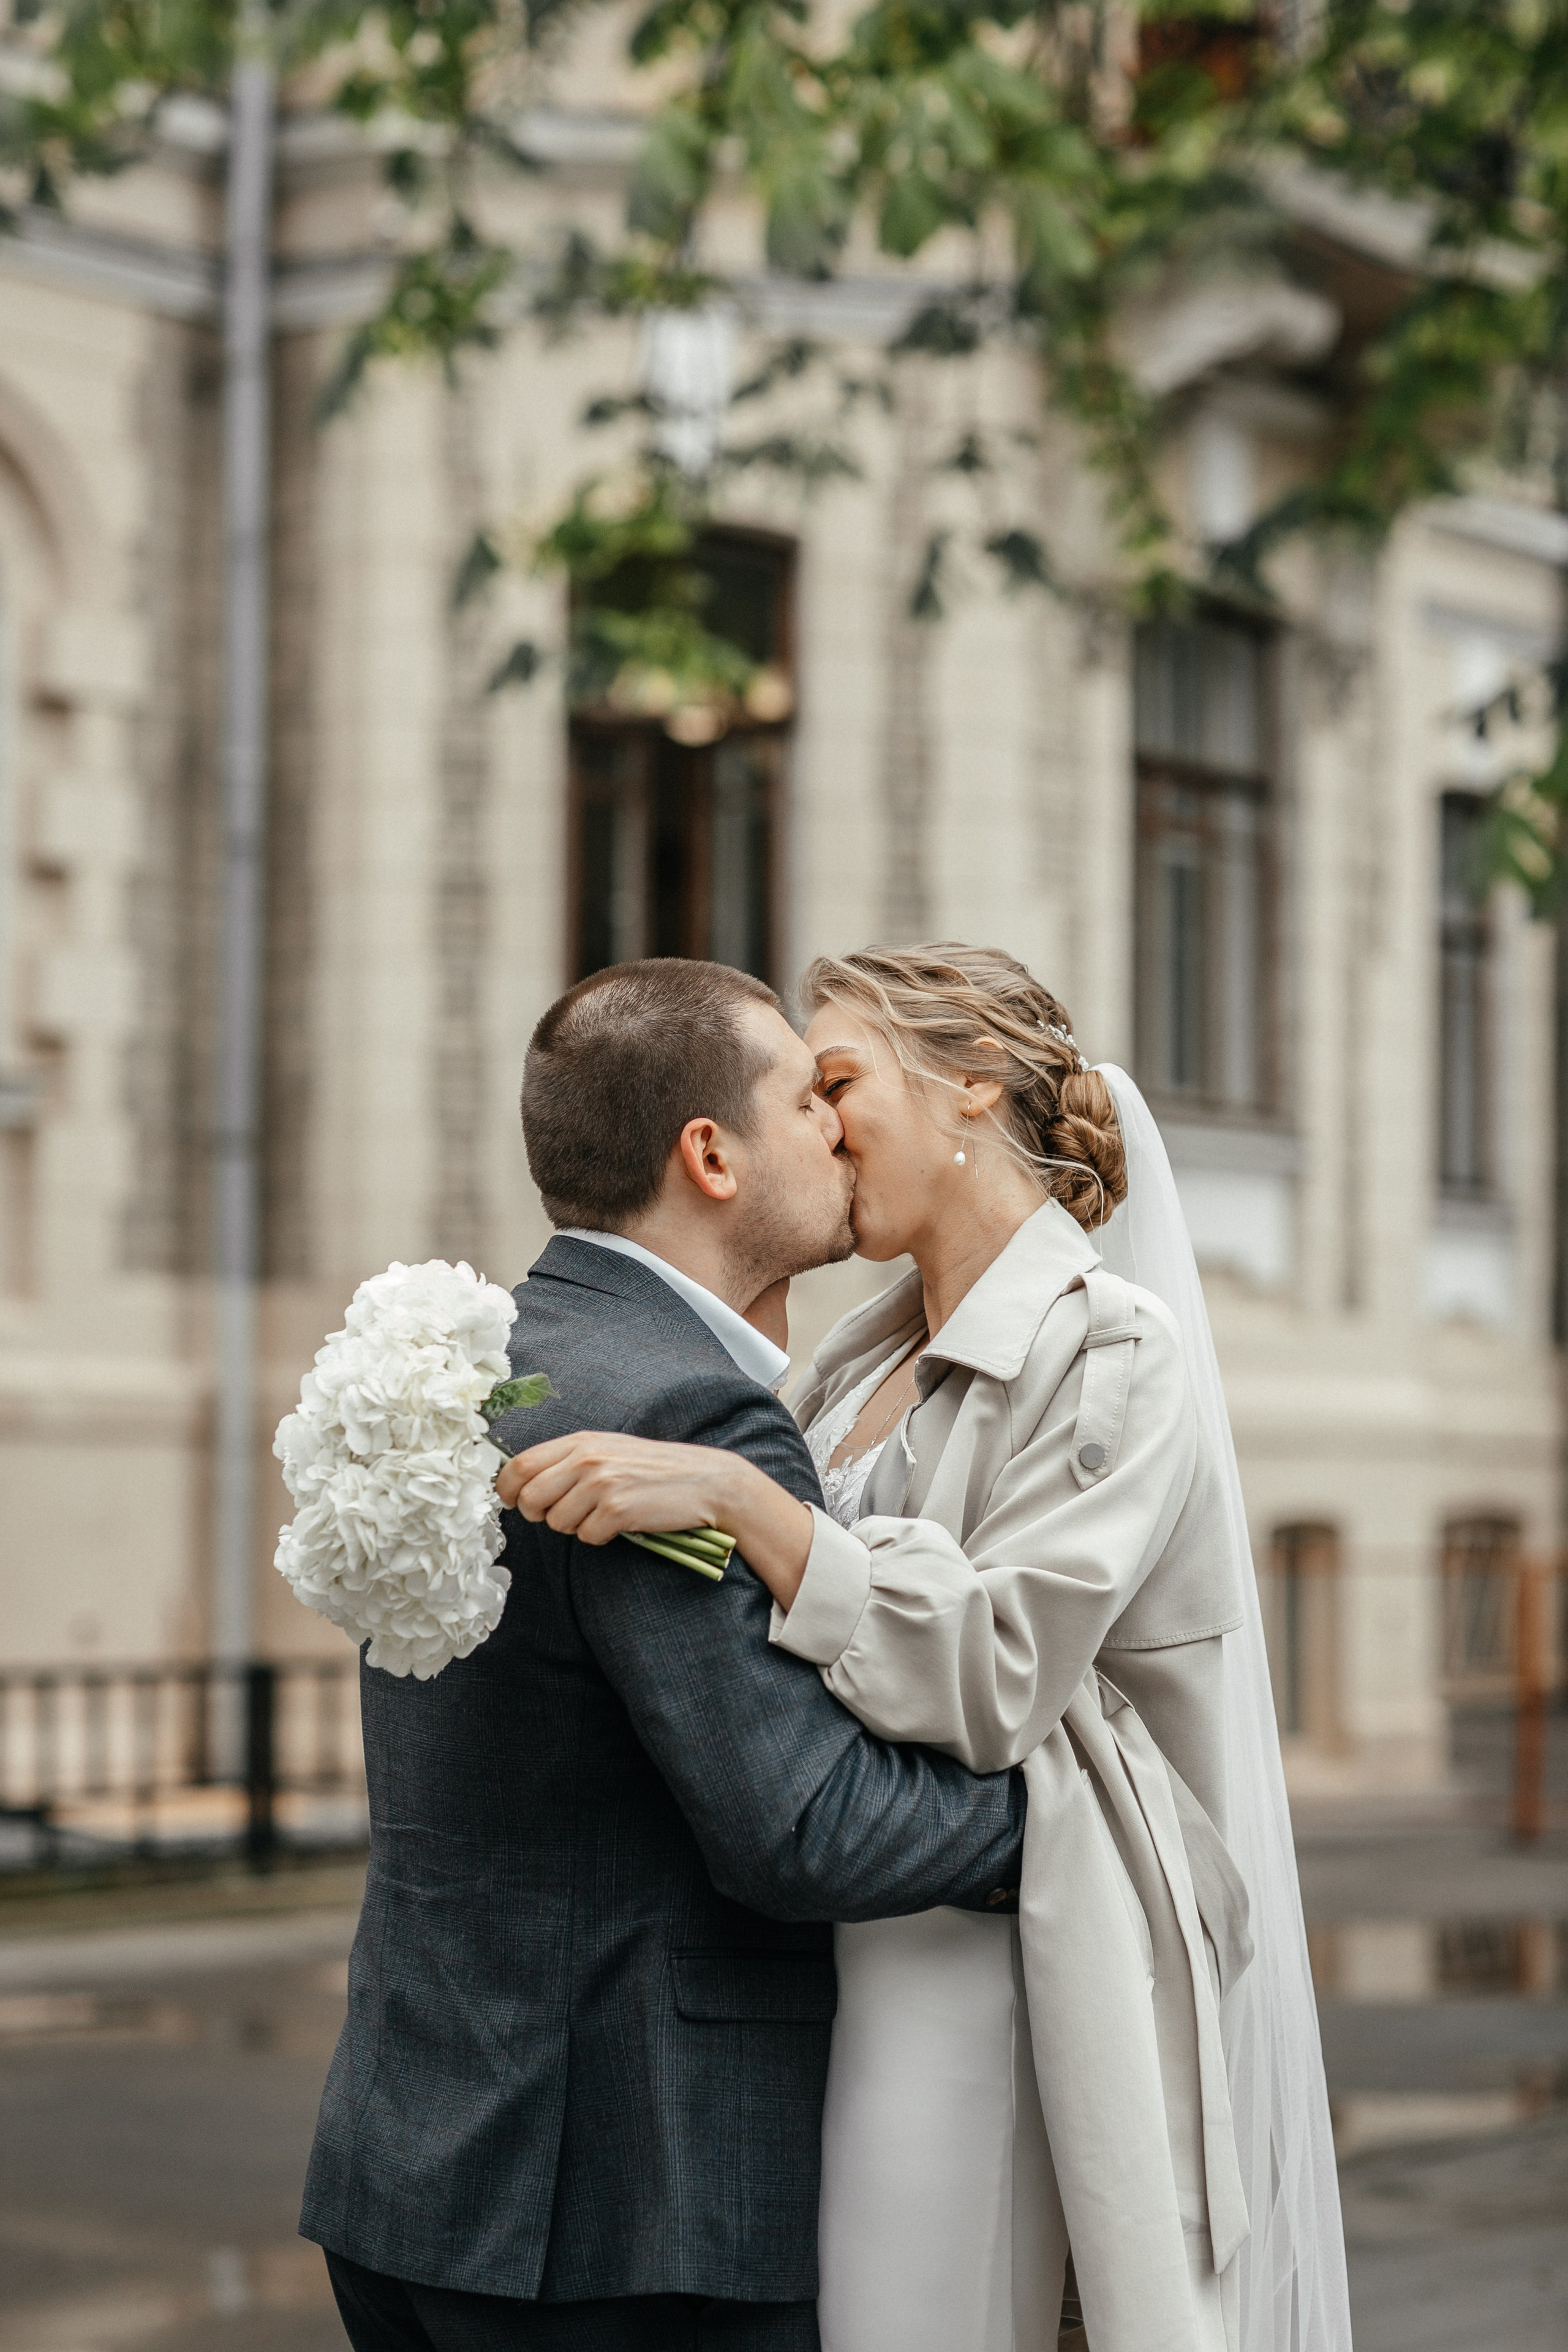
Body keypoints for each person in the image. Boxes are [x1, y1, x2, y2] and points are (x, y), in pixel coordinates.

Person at [505, 944, 1351, 2352]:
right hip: (832, 1954)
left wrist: (747, 1507)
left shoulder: (1112, 1357)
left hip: (992, 1968)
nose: (821, 1130)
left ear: (969, 1084)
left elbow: (1000, 1674)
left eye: (836, 1083)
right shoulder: (845, 1359)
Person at [300, 957, 1028, 2352]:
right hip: (623, 2218)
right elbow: (805, 1831)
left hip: (410, 2168)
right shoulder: (681, 1413)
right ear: (711, 1155)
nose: (838, 1127)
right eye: (805, 1099)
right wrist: (1067, 1808)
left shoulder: (476, 1361)